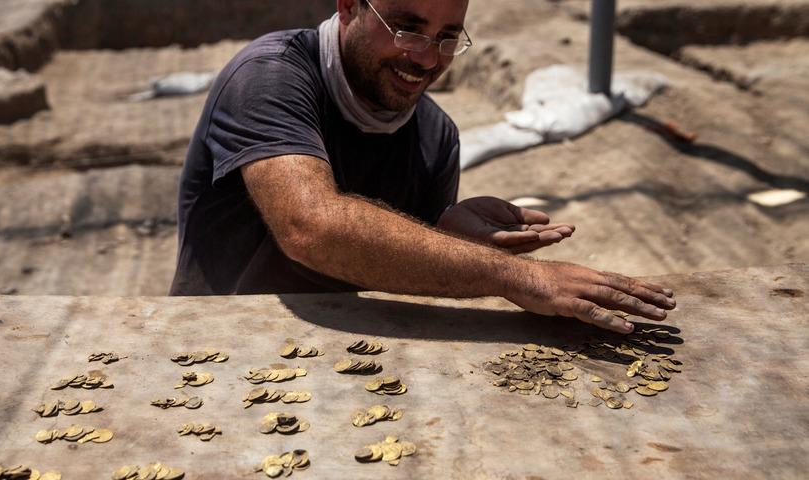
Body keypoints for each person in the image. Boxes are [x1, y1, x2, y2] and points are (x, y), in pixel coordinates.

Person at [170, 0, 676, 333]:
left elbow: (394, 260)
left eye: (447, 36)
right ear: (349, 6)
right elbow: (312, 227)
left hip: (340, 352)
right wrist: (521, 277)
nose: (427, 58)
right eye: (407, 28)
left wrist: (445, 233)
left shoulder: (437, 136)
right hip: (218, 347)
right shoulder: (270, 76)